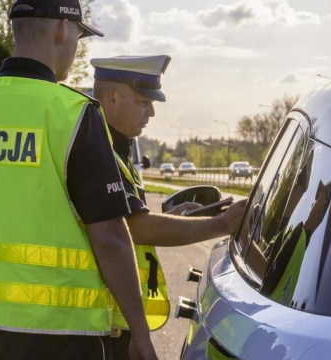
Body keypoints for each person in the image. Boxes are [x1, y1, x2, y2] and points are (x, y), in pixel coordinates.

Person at [0, 2, 157, 359]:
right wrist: (139, 335)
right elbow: (110, 238)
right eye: (79, 36)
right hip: (63, 337)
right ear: (63, 29)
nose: (76, 45)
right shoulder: (74, 113)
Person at [90, 55, 247, 359]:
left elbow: (130, 221)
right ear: (111, 97)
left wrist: (173, 219)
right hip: (105, 326)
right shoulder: (101, 153)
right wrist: (221, 225)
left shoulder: (115, 151)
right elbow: (136, 228)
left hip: (112, 321)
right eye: (142, 101)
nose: (151, 111)